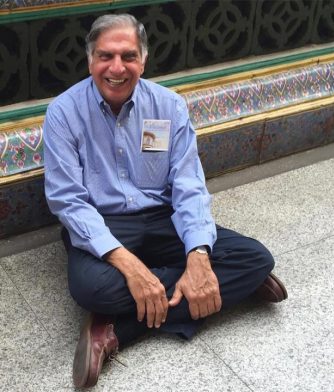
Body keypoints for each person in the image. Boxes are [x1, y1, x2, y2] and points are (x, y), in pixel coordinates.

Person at [42, 14, 287, 388]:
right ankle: (222, 289)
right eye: (106, 56)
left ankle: (117, 329)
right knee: (92, 289)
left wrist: (199, 258)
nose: (117, 68)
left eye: (129, 56)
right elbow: (68, 202)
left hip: (162, 217)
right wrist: (130, 267)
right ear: (90, 59)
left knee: (255, 258)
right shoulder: (63, 112)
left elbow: (188, 185)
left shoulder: (169, 106)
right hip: (102, 223)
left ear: (144, 59)